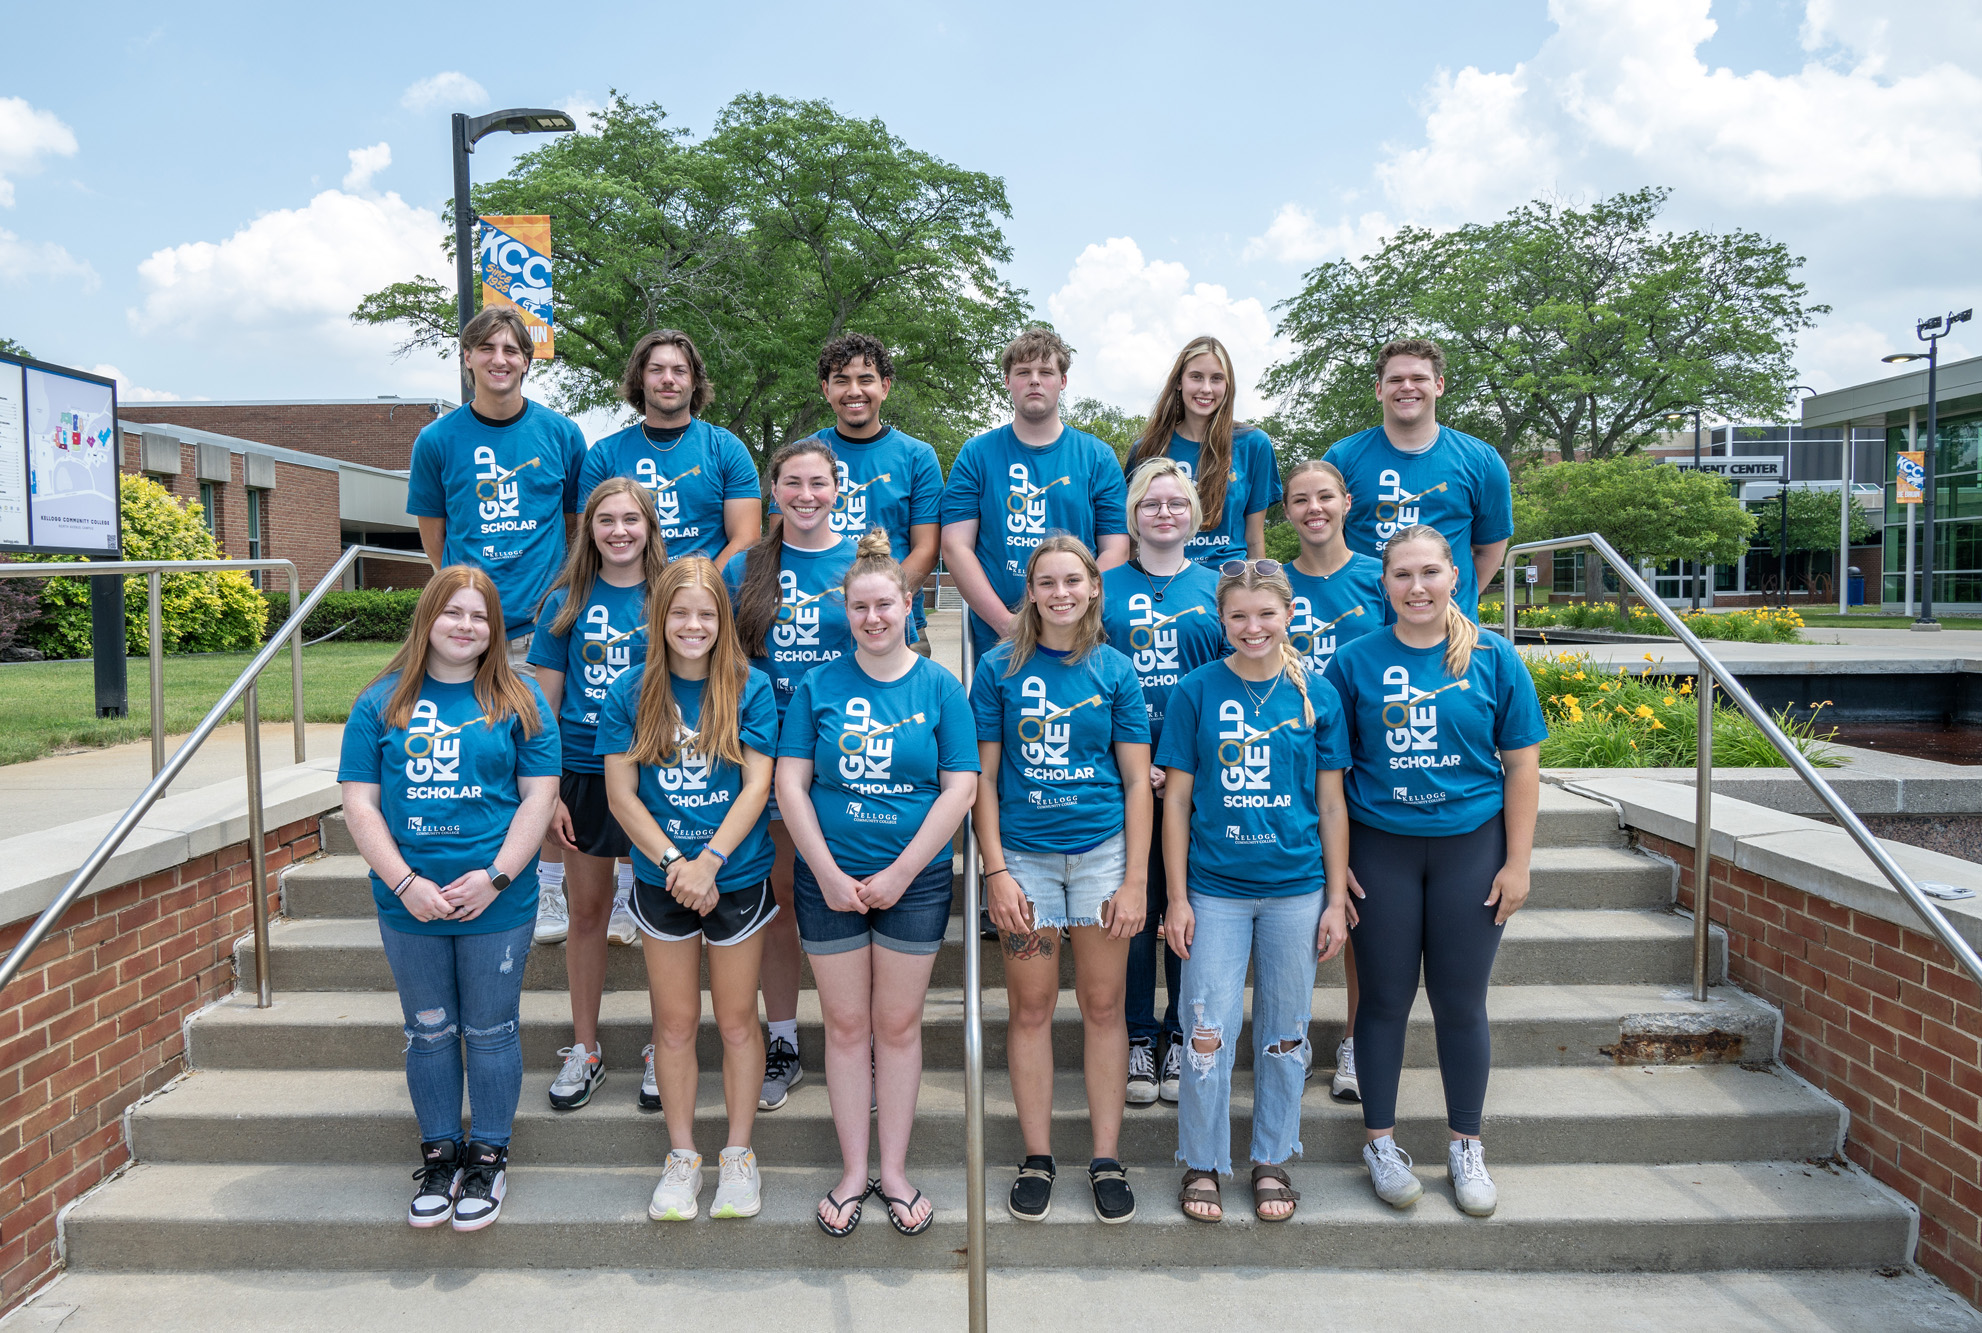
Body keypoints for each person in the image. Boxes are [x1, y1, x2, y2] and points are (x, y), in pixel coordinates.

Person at [1323, 525, 1545, 1218]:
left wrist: (1517, 862)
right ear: (1382, 583)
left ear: (1455, 576)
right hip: (1380, 851)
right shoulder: (1353, 662)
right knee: (1383, 1002)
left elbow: (1522, 767)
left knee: (1459, 1002)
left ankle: (1465, 1143)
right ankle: (1382, 1143)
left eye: (1429, 572)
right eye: (1402, 575)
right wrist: (1338, 872)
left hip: (1469, 852)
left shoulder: (1493, 657)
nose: (1416, 587)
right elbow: (1329, 774)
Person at [337, 565, 561, 1232]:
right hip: (409, 899)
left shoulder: (521, 699)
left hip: (499, 898)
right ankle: (440, 1155)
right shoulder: (378, 703)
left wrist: (495, 876)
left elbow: (540, 797)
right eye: (453, 612)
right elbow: (359, 802)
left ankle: (488, 1157)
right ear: (427, 618)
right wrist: (406, 883)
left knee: (491, 1028)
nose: (467, 625)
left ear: (495, 627)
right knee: (429, 1028)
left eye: (480, 615)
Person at [776, 530, 978, 1237]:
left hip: (914, 883)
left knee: (895, 1026)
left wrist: (900, 871)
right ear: (846, 610)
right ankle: (852, 1170)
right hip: (826, 880)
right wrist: (829, 872)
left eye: (884, 604)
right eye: (859, 606)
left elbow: (960, 788)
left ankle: (893, 1170)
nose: (872, 617)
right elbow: (791, 783)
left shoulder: (941, 685)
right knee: (846, 1025)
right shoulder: (818, 685)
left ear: (908, 604)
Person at [1156, 559, 1350, 1225]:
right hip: (1214, 891)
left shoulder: (1316, 694)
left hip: (1295, 889)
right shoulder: (1196, 691)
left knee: (1285, 1034)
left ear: (1288, 615)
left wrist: (1333, 896)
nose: (1252, 626)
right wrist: (1176, 898)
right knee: (1206, 1032)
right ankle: (1203, 1160)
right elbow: (1176, 801)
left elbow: (1330, 804)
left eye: (1265, 614)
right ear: (1222, 619)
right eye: (1238, 615)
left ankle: (1272, 1155)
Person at [973, 536, 1150, 1224]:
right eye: (1047, 581)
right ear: (1031, 591)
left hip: (1102, 855)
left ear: (1093, 587)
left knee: (1105, 1007)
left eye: (1073, 580)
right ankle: (1038, 1154)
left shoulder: (1115, 670)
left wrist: (1135, 879)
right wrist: (994, 870)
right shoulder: (998, 669)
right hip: (1026, 859)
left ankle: (1106, 1155)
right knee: (1031, 1006)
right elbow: (983, 777)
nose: (1061, 592)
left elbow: (1137, 779)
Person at [598, 556, 780, 1222]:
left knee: (735, 1021)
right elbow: (621, 793)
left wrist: (711, 861)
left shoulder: (749, 686)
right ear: (659, 617)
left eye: (706, 613)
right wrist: (680, 862)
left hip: (734, 876)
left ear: (722, 619)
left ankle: (737, 1153)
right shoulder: (630, 690)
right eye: (680, 612)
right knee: (673, 1025)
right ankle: (682, 1156)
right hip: (661, 878)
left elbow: (758, 785)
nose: (693, 624)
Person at [405, 306, 585, 951]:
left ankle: (554, 886)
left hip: (543, 624)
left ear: (527, 361)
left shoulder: (561, 434)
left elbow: (574, 526)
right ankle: (490, 870)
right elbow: (434, 533)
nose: (501, 359)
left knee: (542, 751)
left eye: (513, 350)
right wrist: (464, 604)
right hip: (471, 627)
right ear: (468, 358)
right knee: (483, 753)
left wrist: (558, 594)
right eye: (488, 349)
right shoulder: (437, 441)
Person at [724, 439, 860, 1113]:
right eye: (792, 483)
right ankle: (783, 1038)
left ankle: (857, 1039)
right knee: (778, 906)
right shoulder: (745, 569)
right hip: (766, 759)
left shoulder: (864, 562)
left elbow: (903, 653)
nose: (806, 494)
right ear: (772, 491)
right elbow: (718, 667)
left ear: (838, 489)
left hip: (850, 763)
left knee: (849, 899)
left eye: (819, 482)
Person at [526, 478, 666, 1110]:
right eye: (605, 519)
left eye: (631, 519)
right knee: (586, 914)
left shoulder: (670, 596)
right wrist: (548, 790)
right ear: (589, 529)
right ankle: (585, 1048)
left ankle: (669, 1043)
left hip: (660, 772)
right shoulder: (567, 599)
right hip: (583, 772)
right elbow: (544, 706)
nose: (618, 531)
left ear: (649, 527)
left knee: (663, 918)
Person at [1099, 458, 1227, 1108]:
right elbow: (1083, 680)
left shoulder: (1216, 587)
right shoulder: (1103, 585)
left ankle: (1180, 1031)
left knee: (1187, 909)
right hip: (1124, 776)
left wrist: (1183, 761)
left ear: (1194, 514)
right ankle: (1138, 1038)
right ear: (1134, 513)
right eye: (1152, 502)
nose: (1165, 512)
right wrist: (1130, 758)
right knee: (1134, 910)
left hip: (1198, 778)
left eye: (1177, 502)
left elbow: (1234, 681)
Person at [1280, 456, 1386, 1102]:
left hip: (1370, 763)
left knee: (1356, 910)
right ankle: (1291, 1032)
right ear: (1286, 511)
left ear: (1347, 501)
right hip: (1289, 765)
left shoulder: (1380, 577)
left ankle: (1355, 1040)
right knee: (1298, 908)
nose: (1314, 508)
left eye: (1325, 496)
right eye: (1300, 499)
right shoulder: (1274, 582)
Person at [940, 327, 1131, 659]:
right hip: (998, 643)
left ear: (1063, 381)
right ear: (1007, 381)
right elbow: (955, 546)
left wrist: (1071, 618)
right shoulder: (976, 454)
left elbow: (1116, 548)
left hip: (1080, 640)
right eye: (1023, 372)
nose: (1034, 381)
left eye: (1046, 372)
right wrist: (1007, 624)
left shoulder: (1097, 457)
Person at [1322, 338, 1512, 621]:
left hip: (1448, 630)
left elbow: (1490, 550)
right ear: (1379, 389)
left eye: (1419, 378)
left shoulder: (1482, 461)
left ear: (1439, 386)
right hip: (1365, 625)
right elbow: (1324, 546)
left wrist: (1444, 600)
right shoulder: (1341, 459)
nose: (1407, 387)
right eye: (1395, 379)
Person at [790, 333, 944, 654]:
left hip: (896, 624)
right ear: (826, 389)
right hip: (815, 620)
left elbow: (927, 548)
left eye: (865, 379)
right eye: (841, 380)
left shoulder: (918, 456)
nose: (854, 391)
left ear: (884, 387)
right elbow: (785, 540)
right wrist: (839, 606)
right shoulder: (800, 454)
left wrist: (877, 602)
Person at [579, 328, 762, 565]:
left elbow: (746, 539)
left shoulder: (727, 449)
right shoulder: (603, 456)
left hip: (706, 596)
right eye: (656, 370)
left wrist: (701, 592)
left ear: (695, 382)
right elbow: (588, 541)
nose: (668, 379)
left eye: (679, 371)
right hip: (631, 597)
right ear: (640, 380)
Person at [1123, 336, 1280, 566]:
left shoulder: (1254, 444)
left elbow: (1255, 539)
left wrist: (1261, 590)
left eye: (1216, 379)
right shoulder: (1147, 448)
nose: (1206, 389)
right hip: (1165, 581)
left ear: (1228, 385)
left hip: (1229, 580)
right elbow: (1134, 537)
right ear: (1179, 382)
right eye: (1196, 377)